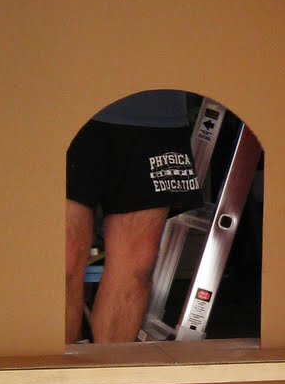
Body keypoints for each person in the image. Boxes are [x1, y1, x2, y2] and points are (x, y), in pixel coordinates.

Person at [64, 91, 204, 344]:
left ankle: (109, 370)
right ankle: (60, 369)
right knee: (63, 256)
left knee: (137, 266)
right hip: (62, 105)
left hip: (153, 110)